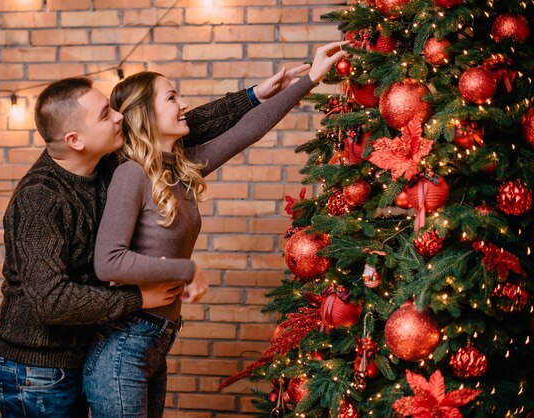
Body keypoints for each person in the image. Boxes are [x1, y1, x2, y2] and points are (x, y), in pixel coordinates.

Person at [0, 69, 302, 418]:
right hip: (35, 371)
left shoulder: (107, 162)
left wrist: (254, 94)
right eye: (106, 114)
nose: (119, 116)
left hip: (83, 351)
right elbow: (51, 301)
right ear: (76, 139)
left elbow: (182, 126)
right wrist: (138, 297)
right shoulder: (40, 199)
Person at [84, 41, 349, 417]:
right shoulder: (131, 174)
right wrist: (186, 269)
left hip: (153, 341)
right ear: (143, 114)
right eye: (171, 98)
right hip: (124, 344)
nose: (183, 105)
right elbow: (108, 262)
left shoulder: (179, 166)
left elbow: (248, 130)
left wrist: (310, 78)